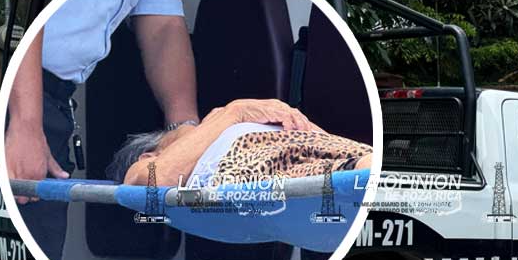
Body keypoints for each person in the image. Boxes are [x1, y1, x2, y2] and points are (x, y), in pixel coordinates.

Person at [5, 0, 199, 260]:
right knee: (25, 254)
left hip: (56, 100)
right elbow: (32, 1)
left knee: (42, 253)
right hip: (21, 92)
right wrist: (25, 122)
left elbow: (163, 29)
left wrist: (187, 134)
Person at [107, 98, 372, 187]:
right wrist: (235, 112)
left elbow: (332, 146)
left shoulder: (222, 125)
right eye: (174, 131)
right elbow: (152, 180)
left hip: (315, 150)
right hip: (254, 164)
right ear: (149, 155)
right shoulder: (145, 168)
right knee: (361, 170)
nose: (191, 127)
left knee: (366, 163)